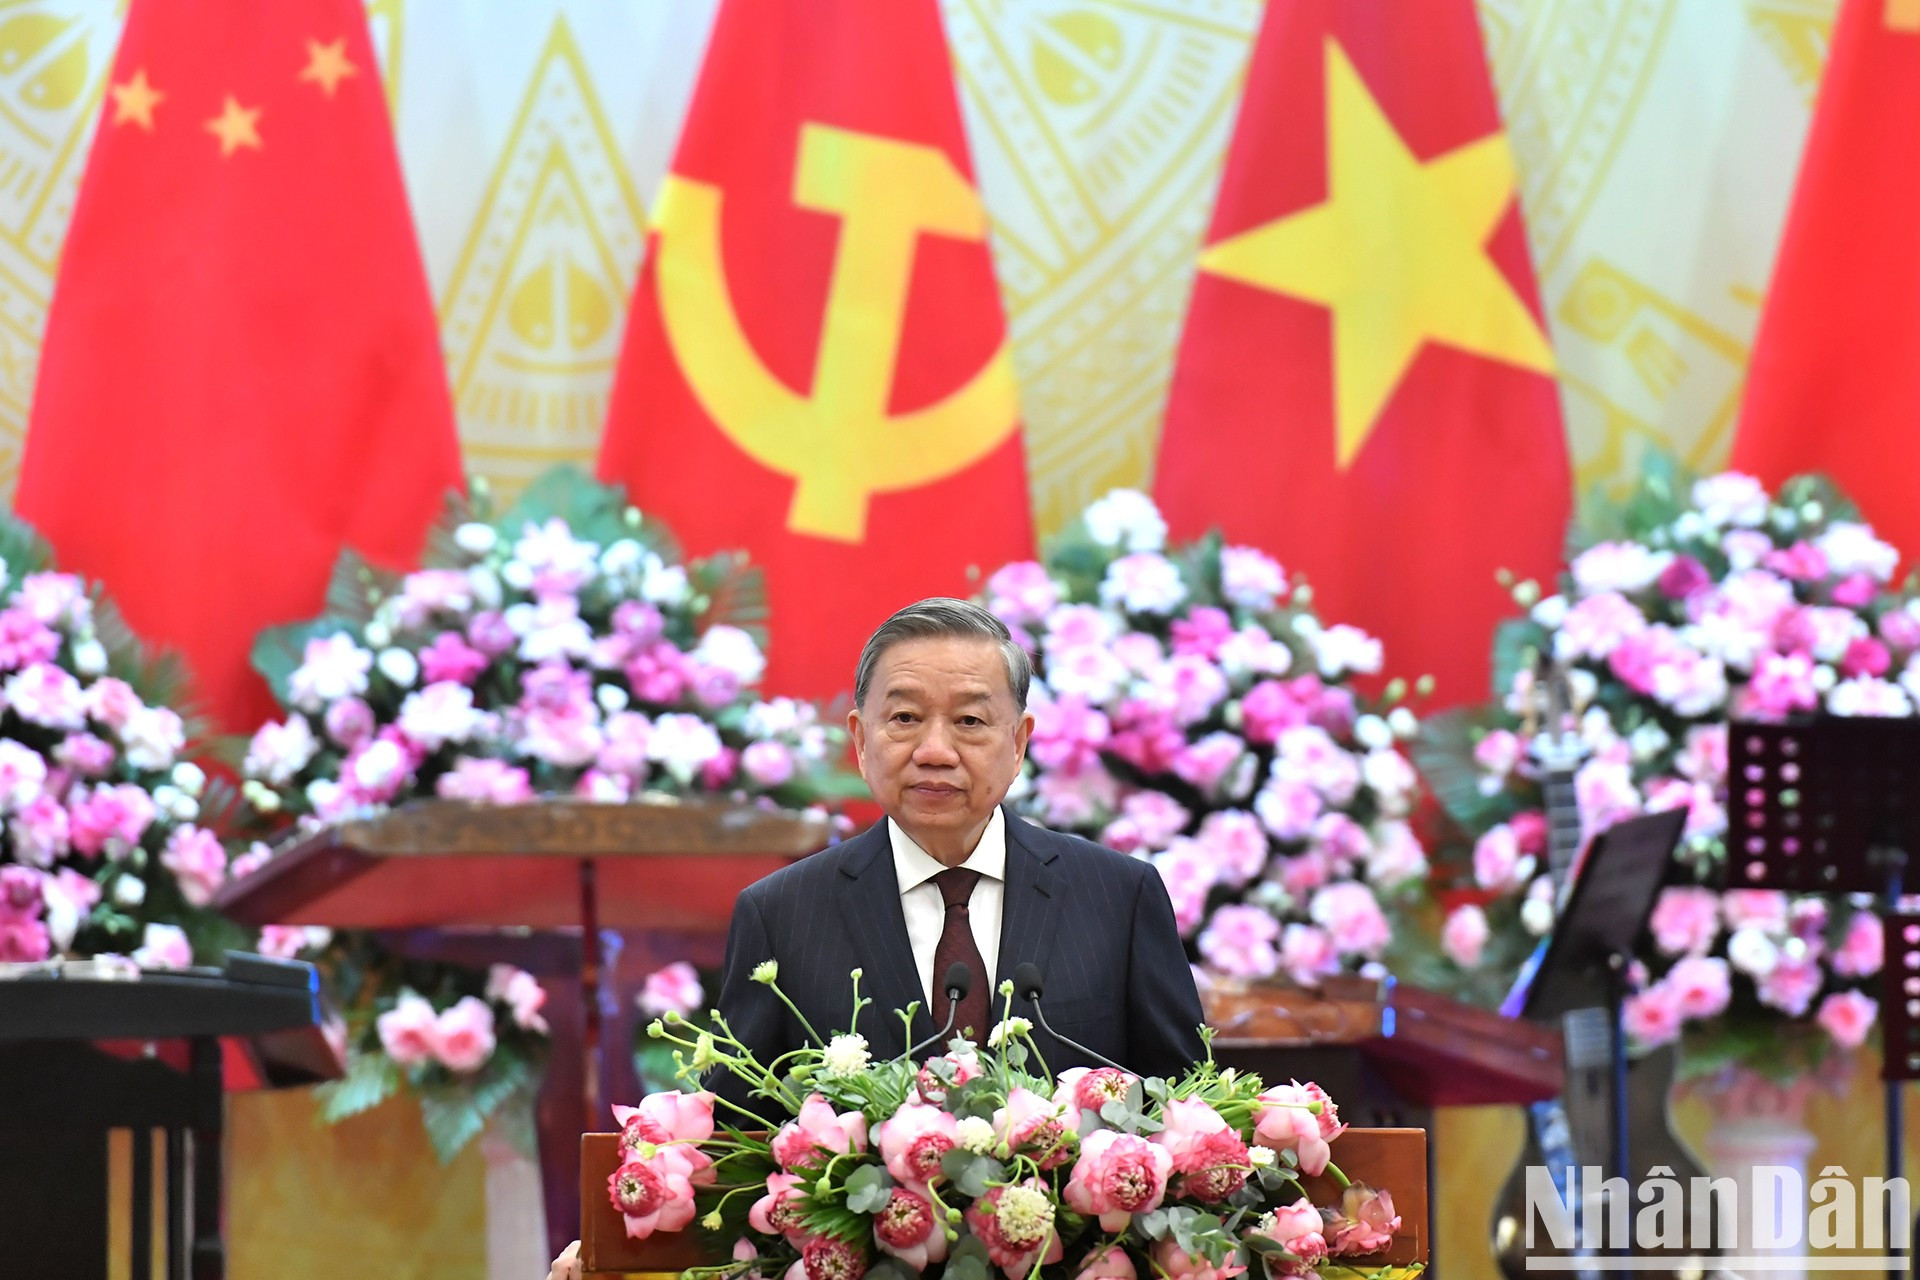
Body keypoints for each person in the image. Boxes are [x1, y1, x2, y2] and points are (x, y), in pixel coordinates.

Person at [548, 598, 1204, 1278]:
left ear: (1020, 741)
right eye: (905, 719)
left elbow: (1197, 1121)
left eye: (972, 721)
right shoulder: (783, 913)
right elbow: (737, 1147)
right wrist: (613, 1250)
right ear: (861, 741)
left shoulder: (1118, 897)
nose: (935, 750)